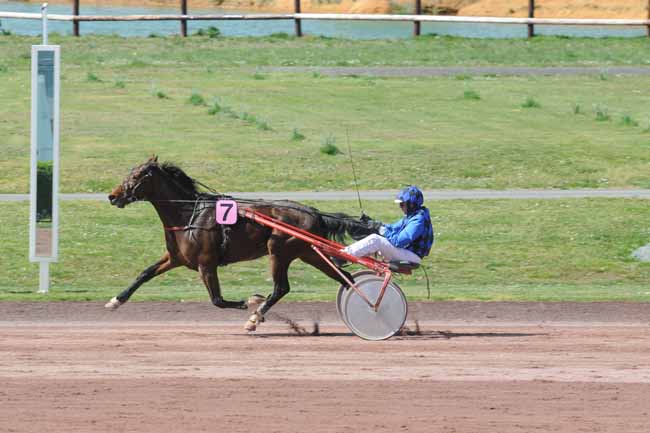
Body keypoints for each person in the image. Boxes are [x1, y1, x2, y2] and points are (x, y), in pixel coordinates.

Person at [342, 185, 434, 264]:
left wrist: (381, 229)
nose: (400, 207)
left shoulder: (418, 220)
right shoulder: (412, 216)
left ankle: (343, 256)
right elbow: (392, 228)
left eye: (402, 204)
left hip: (411, 256)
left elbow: (399, 241)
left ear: (411, 205)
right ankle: (347, 253)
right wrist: (373, 223)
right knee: (374, 236)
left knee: (375, 240)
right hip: (408, 252)